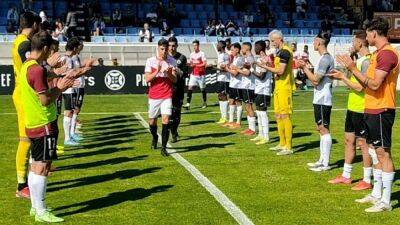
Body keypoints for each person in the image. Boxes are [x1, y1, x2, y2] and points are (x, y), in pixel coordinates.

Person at [335, 17, 399, 213]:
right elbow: (365, 84)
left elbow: (374, 84)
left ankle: (386, 201)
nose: (366, 37)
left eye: (368, 33)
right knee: (373, 151)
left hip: (382, 109)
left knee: (383, 153)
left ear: (373, 33)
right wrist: (350, 72)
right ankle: (377, 194)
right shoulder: (377, 54)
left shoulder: (387, 54)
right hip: (371, 108)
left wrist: (353, 68)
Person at [21, 30, 77, 223]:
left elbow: (40, 77)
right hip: (43, 122)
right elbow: (45, 100)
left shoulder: (27, 65)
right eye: (49, 50)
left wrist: (53, 72)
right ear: (44, 48)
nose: (50, 54)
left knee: (35, 165)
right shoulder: (36, 69)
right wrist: (60, 87)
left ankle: (35, 207)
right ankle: (41, 210)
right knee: (42, 167)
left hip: (33, 122)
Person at [327, 30, 373, 190]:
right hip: (352, 107)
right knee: (349, 141)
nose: (351, 45)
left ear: (359, 43)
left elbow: (360, 87)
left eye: (353, 42)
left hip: (362, 109)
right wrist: (343, 73)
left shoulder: (366, 62)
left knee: (363, 144)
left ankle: (367, 179)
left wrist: (342, 78)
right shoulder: (359, 61)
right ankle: (346, 176)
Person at [12, 11, 41, 199]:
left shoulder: (19, 40)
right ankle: (21, 186)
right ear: (35, 24)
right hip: (23, 95)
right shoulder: (24, 44)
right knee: (26, 139)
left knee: (32, 136)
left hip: (23, 94)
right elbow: (29, 70)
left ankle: (34, 171)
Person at [297, 32, 335, 170]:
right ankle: (321, 160)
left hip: (323, 98)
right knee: (320, 129)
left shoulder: (325, 59)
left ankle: (326, 163)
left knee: (324, 129)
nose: (313, 44)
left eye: (314, 42)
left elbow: (315, 80)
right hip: (319, 97)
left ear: (319, 43)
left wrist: (304, 67)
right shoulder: (322, 58)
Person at [259, 30, 295, 156]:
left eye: (273, 40)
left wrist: (265, 67)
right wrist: (267, 62)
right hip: (278, 87)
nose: (272, 43)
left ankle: (289, 146)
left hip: (285, 87)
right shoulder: (280, 52)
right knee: (278, 115)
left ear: (280, 39)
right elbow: (276, 67)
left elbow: (280, 71)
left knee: (285, 116)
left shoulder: (285, 51)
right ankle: (282, 143)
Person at [145, 39, 177, 156]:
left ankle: (163, 148)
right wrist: (157, 71)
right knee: (152, 121)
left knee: (166, 120)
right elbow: (147, 79)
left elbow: (174, 79)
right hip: (154, 96)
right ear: (158, 48)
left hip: (166, 95)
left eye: (165, 49)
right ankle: (154, 137)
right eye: (161, 49)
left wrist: (168, 73)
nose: (164, 51)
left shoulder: (172, 61)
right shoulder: (150, 61)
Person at [251, 40, 272, 145]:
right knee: (258, 112)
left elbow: (262, 76)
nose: (254, 49)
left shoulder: (266, 59)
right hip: (258, 88)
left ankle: (266, 136)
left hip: (264, 88)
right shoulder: (259, 59)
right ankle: (260, 134)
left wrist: (252, 70)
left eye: (256, 47)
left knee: (263, 113)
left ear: (261, 48)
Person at [167, 37, 188, 143]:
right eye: (170, 45)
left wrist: (177, 71)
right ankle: (172, 132)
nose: (172, 47)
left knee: (177, 112)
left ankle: (174, 131)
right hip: (166, 89)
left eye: (174, 45)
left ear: (177, 45)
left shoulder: (182, 58)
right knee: (168, 113)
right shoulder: (164, 57)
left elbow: (185, 73)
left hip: (178, 88)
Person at [224, 43, 244, 129]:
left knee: (238, 102)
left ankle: (238, 122)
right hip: (233, 83)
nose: (231, 52)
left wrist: (227, 69)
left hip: (238, 84)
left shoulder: (240, 59)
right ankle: (231, 121)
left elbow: (235, 73)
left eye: (232, 50)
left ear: (237, 49)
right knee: (231, 101)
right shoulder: (235, 58)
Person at [237, 42, 256, 135]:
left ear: (246, 48)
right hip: (245, 85)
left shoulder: (250, 58)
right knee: (246, 106)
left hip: (249, 85)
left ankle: (253, 129)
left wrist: (237, 69)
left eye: (242, 48)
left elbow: (248, 73)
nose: (241, 49)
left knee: (249, 106)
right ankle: (250, 127)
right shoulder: (246, 58)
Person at [184, 40, 208, 109]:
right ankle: (188, 104)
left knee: (202, 89)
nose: (194, 47)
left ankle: (204, 102)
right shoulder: (191, 54)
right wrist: (189, 64)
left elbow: (204, 63)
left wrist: (196, 65)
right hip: (193, 74)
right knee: (190, 87)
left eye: (196, 45)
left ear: (198, 46)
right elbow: (191, 64)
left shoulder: (202, 53)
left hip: (201, 74)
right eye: (193, 45)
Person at [216, 40, 231, 124]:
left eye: (218, 44)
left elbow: (225, 68)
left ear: (222, 46)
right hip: (220, 78)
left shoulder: (225, 55)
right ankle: (222, 116)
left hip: (225, 78)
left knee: (224, 96)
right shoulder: (220, 55)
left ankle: (225, 117)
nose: (217, 46)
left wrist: (214, 68)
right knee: (220, 96)